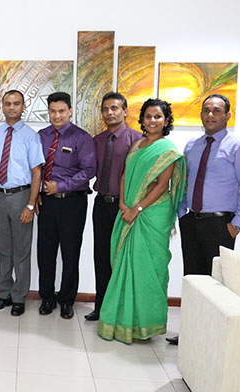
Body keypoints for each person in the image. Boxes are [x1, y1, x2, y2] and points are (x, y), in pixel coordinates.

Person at [166, 94, 240, 345]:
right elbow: (184, 181)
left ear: (227, 115)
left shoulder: (239, 147)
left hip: (220, 225)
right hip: (191, 222)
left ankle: (214, 338)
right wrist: (182, 213)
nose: (210, 115)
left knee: (217, 283)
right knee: (193, 280)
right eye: (206, 110)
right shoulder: (191, 146)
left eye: (216, 111)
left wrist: (237, 224)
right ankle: (191, 335)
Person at [97, 98, 186, 344]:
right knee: (124, 267)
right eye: (148, 116)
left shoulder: (167, 150)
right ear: (142, 119)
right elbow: (125, 176)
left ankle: (145, 324)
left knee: (148, 269)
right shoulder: (136, 145)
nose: (152, 120)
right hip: (127, 210)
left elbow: (161, 185)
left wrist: (137, 208)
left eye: (158, 116)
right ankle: (121, 321)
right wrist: (123, 204)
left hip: (151, 214)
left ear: (166, 121)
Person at [0, 90, 44, 316]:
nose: (11, 107)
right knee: (3, 249)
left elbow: (36, 172)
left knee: (21, 251)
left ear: (23, 107)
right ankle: (4, 294)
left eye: (16, 103)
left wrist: (30, 205)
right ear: (2, 106)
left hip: (21, 196)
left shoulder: (31, 136)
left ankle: (19, 297)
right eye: (7, 103)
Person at [36, 92, 95, 320]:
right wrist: (37, 193)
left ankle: (67, 300)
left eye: (61, 111)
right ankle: (47, 297)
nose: (57, 115)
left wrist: (60, 186)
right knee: (45, 253)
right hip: (46, 202)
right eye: (52, 111)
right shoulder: (41, 136)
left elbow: (88, 171)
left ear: (70, 111)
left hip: (72, 202)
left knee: (70, 253)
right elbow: (35, 168)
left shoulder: (82, 138)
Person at [85, 92, 143, 321]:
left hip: (125, 208)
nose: (109, 113)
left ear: (125, 111)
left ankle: (122, 310)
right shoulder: (97, 141)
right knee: (101, 257)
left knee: (123, 260)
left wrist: (134, 208)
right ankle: (101, 308)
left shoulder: (138, 140)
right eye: (105, 109)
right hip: (101, 205)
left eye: (115, 108)